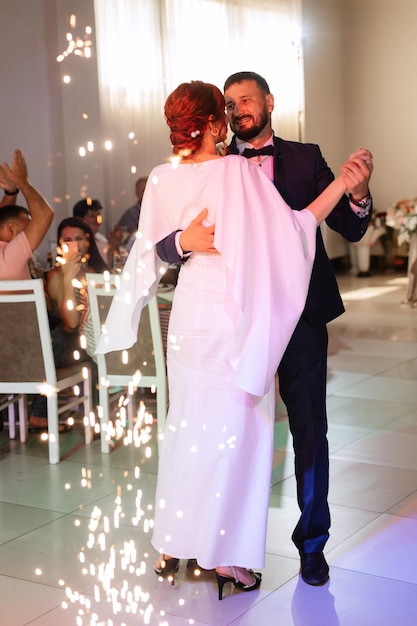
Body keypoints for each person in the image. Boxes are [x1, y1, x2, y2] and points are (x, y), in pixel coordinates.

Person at [97, 80, 369, 598]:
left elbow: (143, 256)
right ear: (216, 123)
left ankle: (173, 544)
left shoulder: (158, 178)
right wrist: (342, 184)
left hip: (188, 314)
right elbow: (294, 229)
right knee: (238, 437)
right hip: (234, 313)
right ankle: (226, 561)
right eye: (226, 108)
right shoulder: (237, 171)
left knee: (187, 427)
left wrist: (176, 247)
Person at [29, 217, 111, 430]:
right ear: (59, 244)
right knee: (70, 344)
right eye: (67, 240)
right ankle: (43, 414)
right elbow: (70, 322)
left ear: (88, 241)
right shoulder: (56, 275)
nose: (74, 245)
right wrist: (67, 281)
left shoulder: (98, 271)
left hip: (102, 335)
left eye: (79, 239)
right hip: (71, 341)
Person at [0, 149, 54, 280]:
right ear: (12, 229)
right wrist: (22, 181)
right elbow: (45, 214)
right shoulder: (9, 257)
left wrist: (11, 192)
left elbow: (3, 218)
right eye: (29, 225)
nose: (33, 229)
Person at [73, 197, 121, 265]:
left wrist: (115, 245)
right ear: (80, 219)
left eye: (98, 215)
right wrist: (112, 246)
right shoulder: (77, 242)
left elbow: (110, 265)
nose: (97, 220)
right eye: (92, 216)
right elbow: (98, 268)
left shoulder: (101, 238)